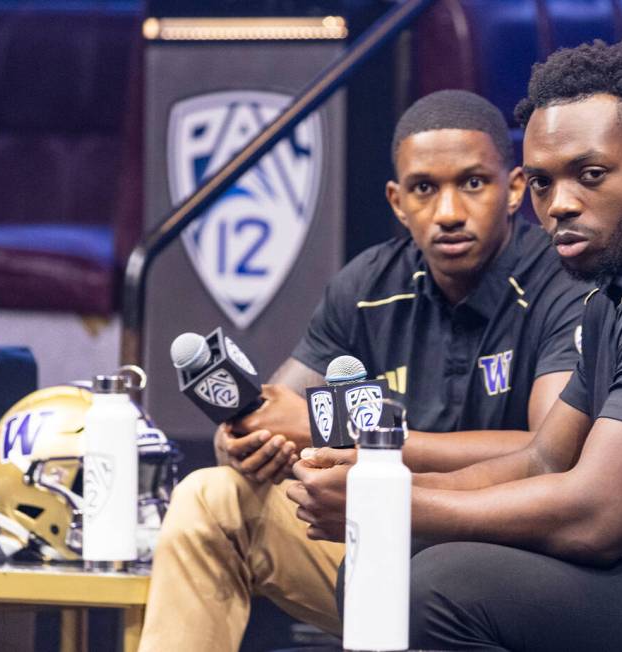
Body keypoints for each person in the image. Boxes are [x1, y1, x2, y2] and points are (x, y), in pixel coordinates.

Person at [289, 39, 622, 651]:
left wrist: (391, 505)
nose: (561, 205)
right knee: (381, 568)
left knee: (432, 586)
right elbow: (544, 460)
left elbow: (596, 517)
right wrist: (380, 485)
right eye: (544, 183)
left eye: (590, 174)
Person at [137, 89, 589, 652]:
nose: (448, 212)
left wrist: (356, 436)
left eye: (472, 183)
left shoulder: (563, 282)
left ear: (515, 188)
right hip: (377, 545)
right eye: (425, 188)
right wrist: (244, 442)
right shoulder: (367, 285)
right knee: (212, 496)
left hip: (501, 563)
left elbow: (553, 454)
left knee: (440, 579)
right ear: (398, 202)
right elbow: (281, 408)